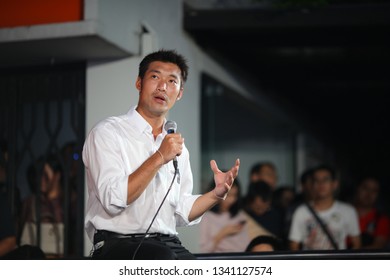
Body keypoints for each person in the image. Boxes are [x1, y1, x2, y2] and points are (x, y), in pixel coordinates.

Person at [82, 49, 240, 260]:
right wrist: (159, 157)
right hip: (119, 244)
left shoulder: (176, 146)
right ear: (139, 83)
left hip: (167, 244)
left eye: (172, 81)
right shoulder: (108, 132)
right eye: (155, 77)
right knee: (163, 260)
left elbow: (180, 211)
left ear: (180, 93)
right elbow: (112, 199)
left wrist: (216, 194)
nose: (162, 87)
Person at [288, 164, 361, 250]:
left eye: (325, 180)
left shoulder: (348, 211)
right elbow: (294, 245)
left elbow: (356, 244)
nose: (321, 184)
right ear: (312, 185)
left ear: (334, 184)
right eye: (316, 180)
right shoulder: (301, 212)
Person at [20, 154, 65, 258]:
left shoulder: (68, 202)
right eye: (38, 174)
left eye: (45, 174)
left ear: (57, 175)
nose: (41, 179)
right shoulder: (31, 202)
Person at [200, 177, 251, 253]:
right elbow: (203, 250)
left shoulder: (240, 215)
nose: (231, 200)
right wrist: (223, 233)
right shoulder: (206, 217)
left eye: (235, 195)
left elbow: (246, 246)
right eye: (228, 195)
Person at [352, 176, 390, 249]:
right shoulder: (343, 214)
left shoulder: (381, 220)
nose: (369, 194)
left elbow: (378, 247)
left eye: (374, 190)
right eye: (365, 188)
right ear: (357, 189)